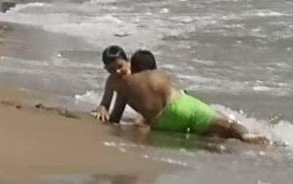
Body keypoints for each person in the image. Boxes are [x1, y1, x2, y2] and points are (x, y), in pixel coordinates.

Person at [93, 46, 266, 143]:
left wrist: (107, 111)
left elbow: (116, 113)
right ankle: (245, 135)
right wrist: (103, 107)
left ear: (130, 62)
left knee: (207, 135)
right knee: (226, 124)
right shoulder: (146, 76)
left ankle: (226, 140)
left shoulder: (118, 84)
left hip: (162, 124)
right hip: (177, 107)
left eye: (119, 67)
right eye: (111, 70)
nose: (117, 72)